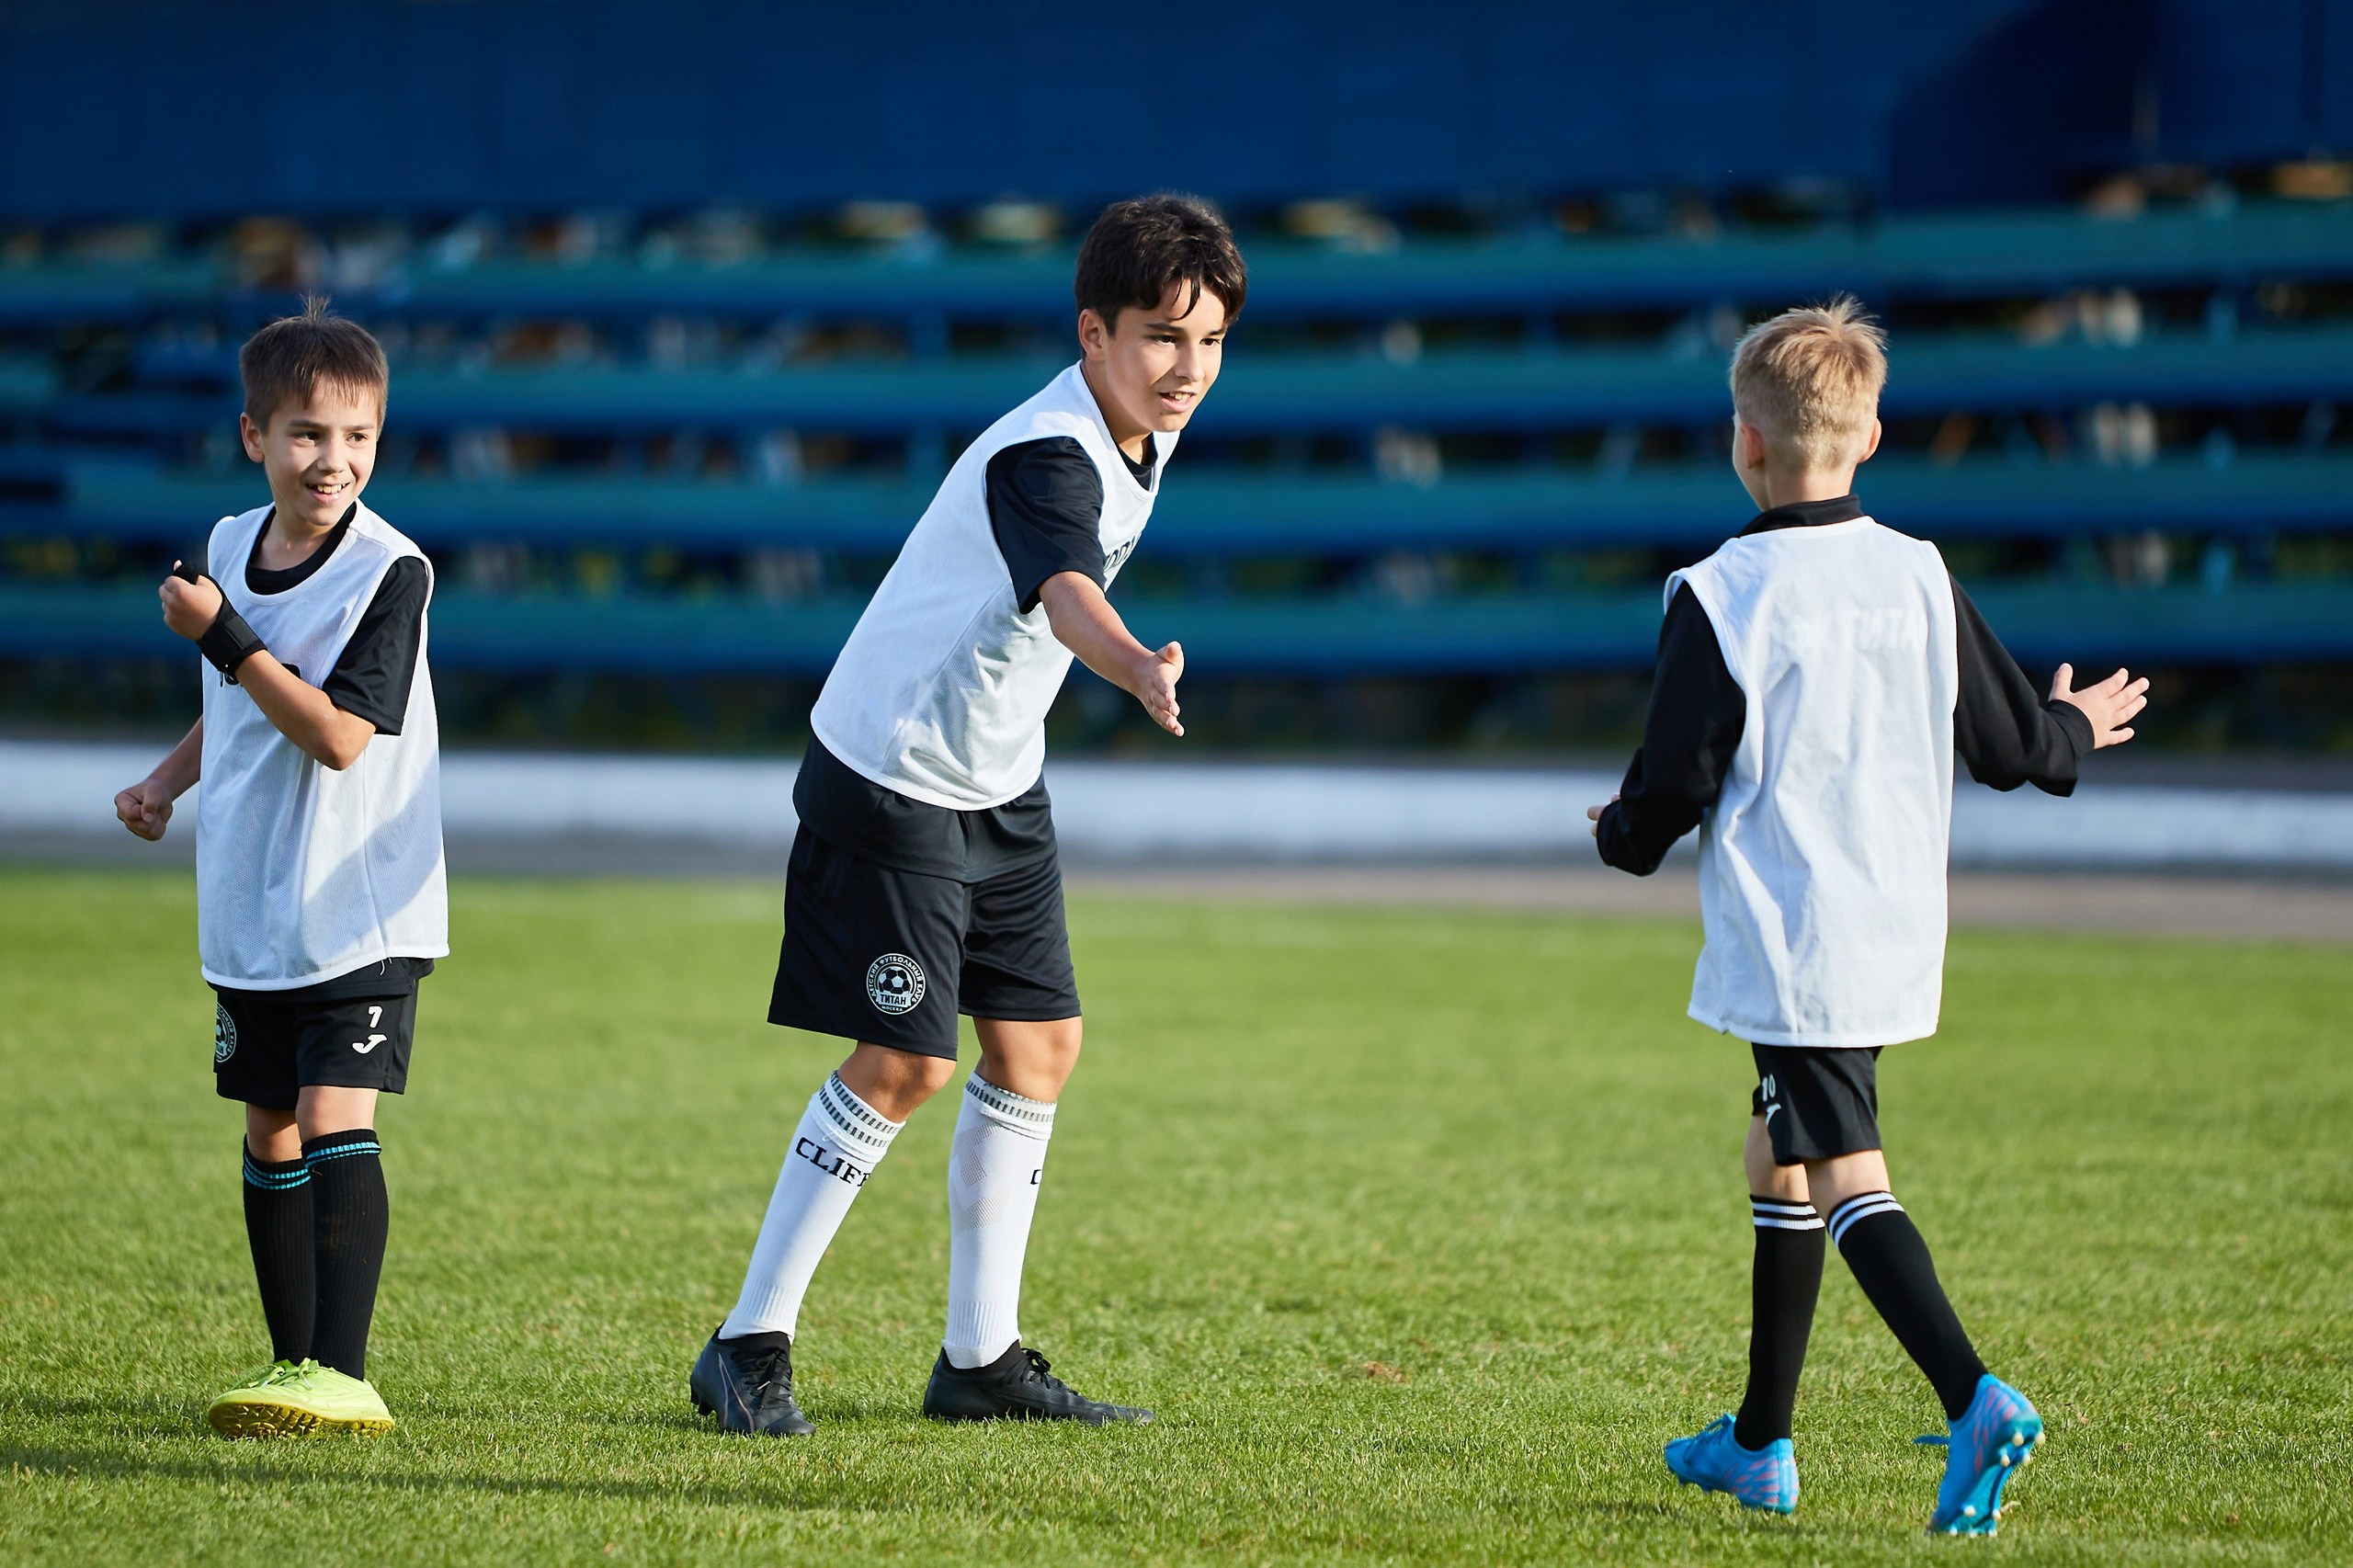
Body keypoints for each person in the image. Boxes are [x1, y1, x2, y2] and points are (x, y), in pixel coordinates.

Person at [1588, 298, 2147, 1533]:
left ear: (1745, 441)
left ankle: (1974, 1395)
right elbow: (2006, 745)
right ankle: (1757, 1442)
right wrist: (2075, 731)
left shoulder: (1724, 590)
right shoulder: (1918, 571)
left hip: (1799, 937)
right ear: (1874, 434)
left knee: (1846, 1169)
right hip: (1892, 926)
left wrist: (1622, 836)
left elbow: (1675, 773)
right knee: (1777, 1145)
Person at [690, 195, 1244, 1434]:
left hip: (996, 776)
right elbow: (1065, 595)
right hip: (894, 772)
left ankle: (979, 1362)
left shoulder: (1141, 430)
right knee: (905, 1060)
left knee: (1039, 1047)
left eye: (1210, 342)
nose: (1190, 368)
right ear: (1092, 333)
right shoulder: (1046, 454)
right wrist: (1138, 668)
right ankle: (746, 1342)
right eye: (1163, 337)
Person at [114, 298, 443, 1437]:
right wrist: (164, 781)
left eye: (357, 437)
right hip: (252, 898)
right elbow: (239, 709)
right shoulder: (223, 548)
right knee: (267, 1127)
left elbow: (340, 733)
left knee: (329, 1109)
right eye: (307, 433)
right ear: (253, 435)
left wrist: (225, 636)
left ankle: (346, 1371)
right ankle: (291, 1364)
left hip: (359, 899)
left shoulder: (391, 571)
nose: (333, 460)